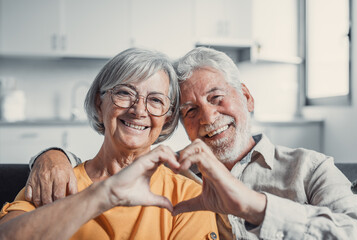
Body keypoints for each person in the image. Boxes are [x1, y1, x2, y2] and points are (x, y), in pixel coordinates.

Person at [15, 47, 357, 239]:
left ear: (247, 97)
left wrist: (254, 206)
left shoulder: (309, 168)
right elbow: (115, 165)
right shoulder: (180, 175)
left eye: (217, 97)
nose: (208, 118)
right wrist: (51, 156)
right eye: (191, 109)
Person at [0, 48, 219, 240]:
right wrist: (101, 195)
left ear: (168, 118)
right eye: (125, 93)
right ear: (99, 103)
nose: (138, 111)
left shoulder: (189, 196)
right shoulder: (56, 180)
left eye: (155, 100)